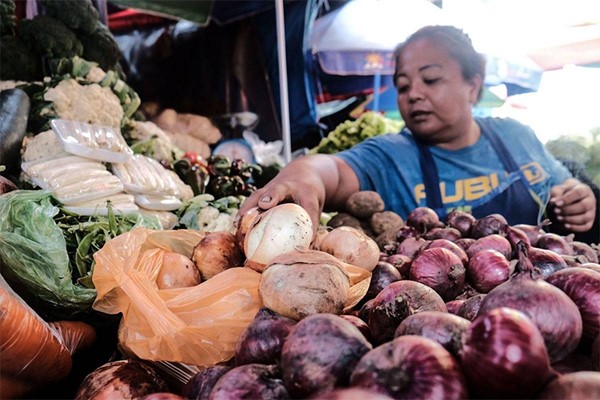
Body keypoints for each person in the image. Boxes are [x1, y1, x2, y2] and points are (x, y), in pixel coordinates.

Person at [238, 25, 598, 243]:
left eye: (430, 79)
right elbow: (326, 170)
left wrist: (580, 199)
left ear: (473, 84)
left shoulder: (516, 135)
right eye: (403, 85)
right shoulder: (392, 155)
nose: (414, 94)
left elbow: (565, 188)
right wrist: (301, 180)